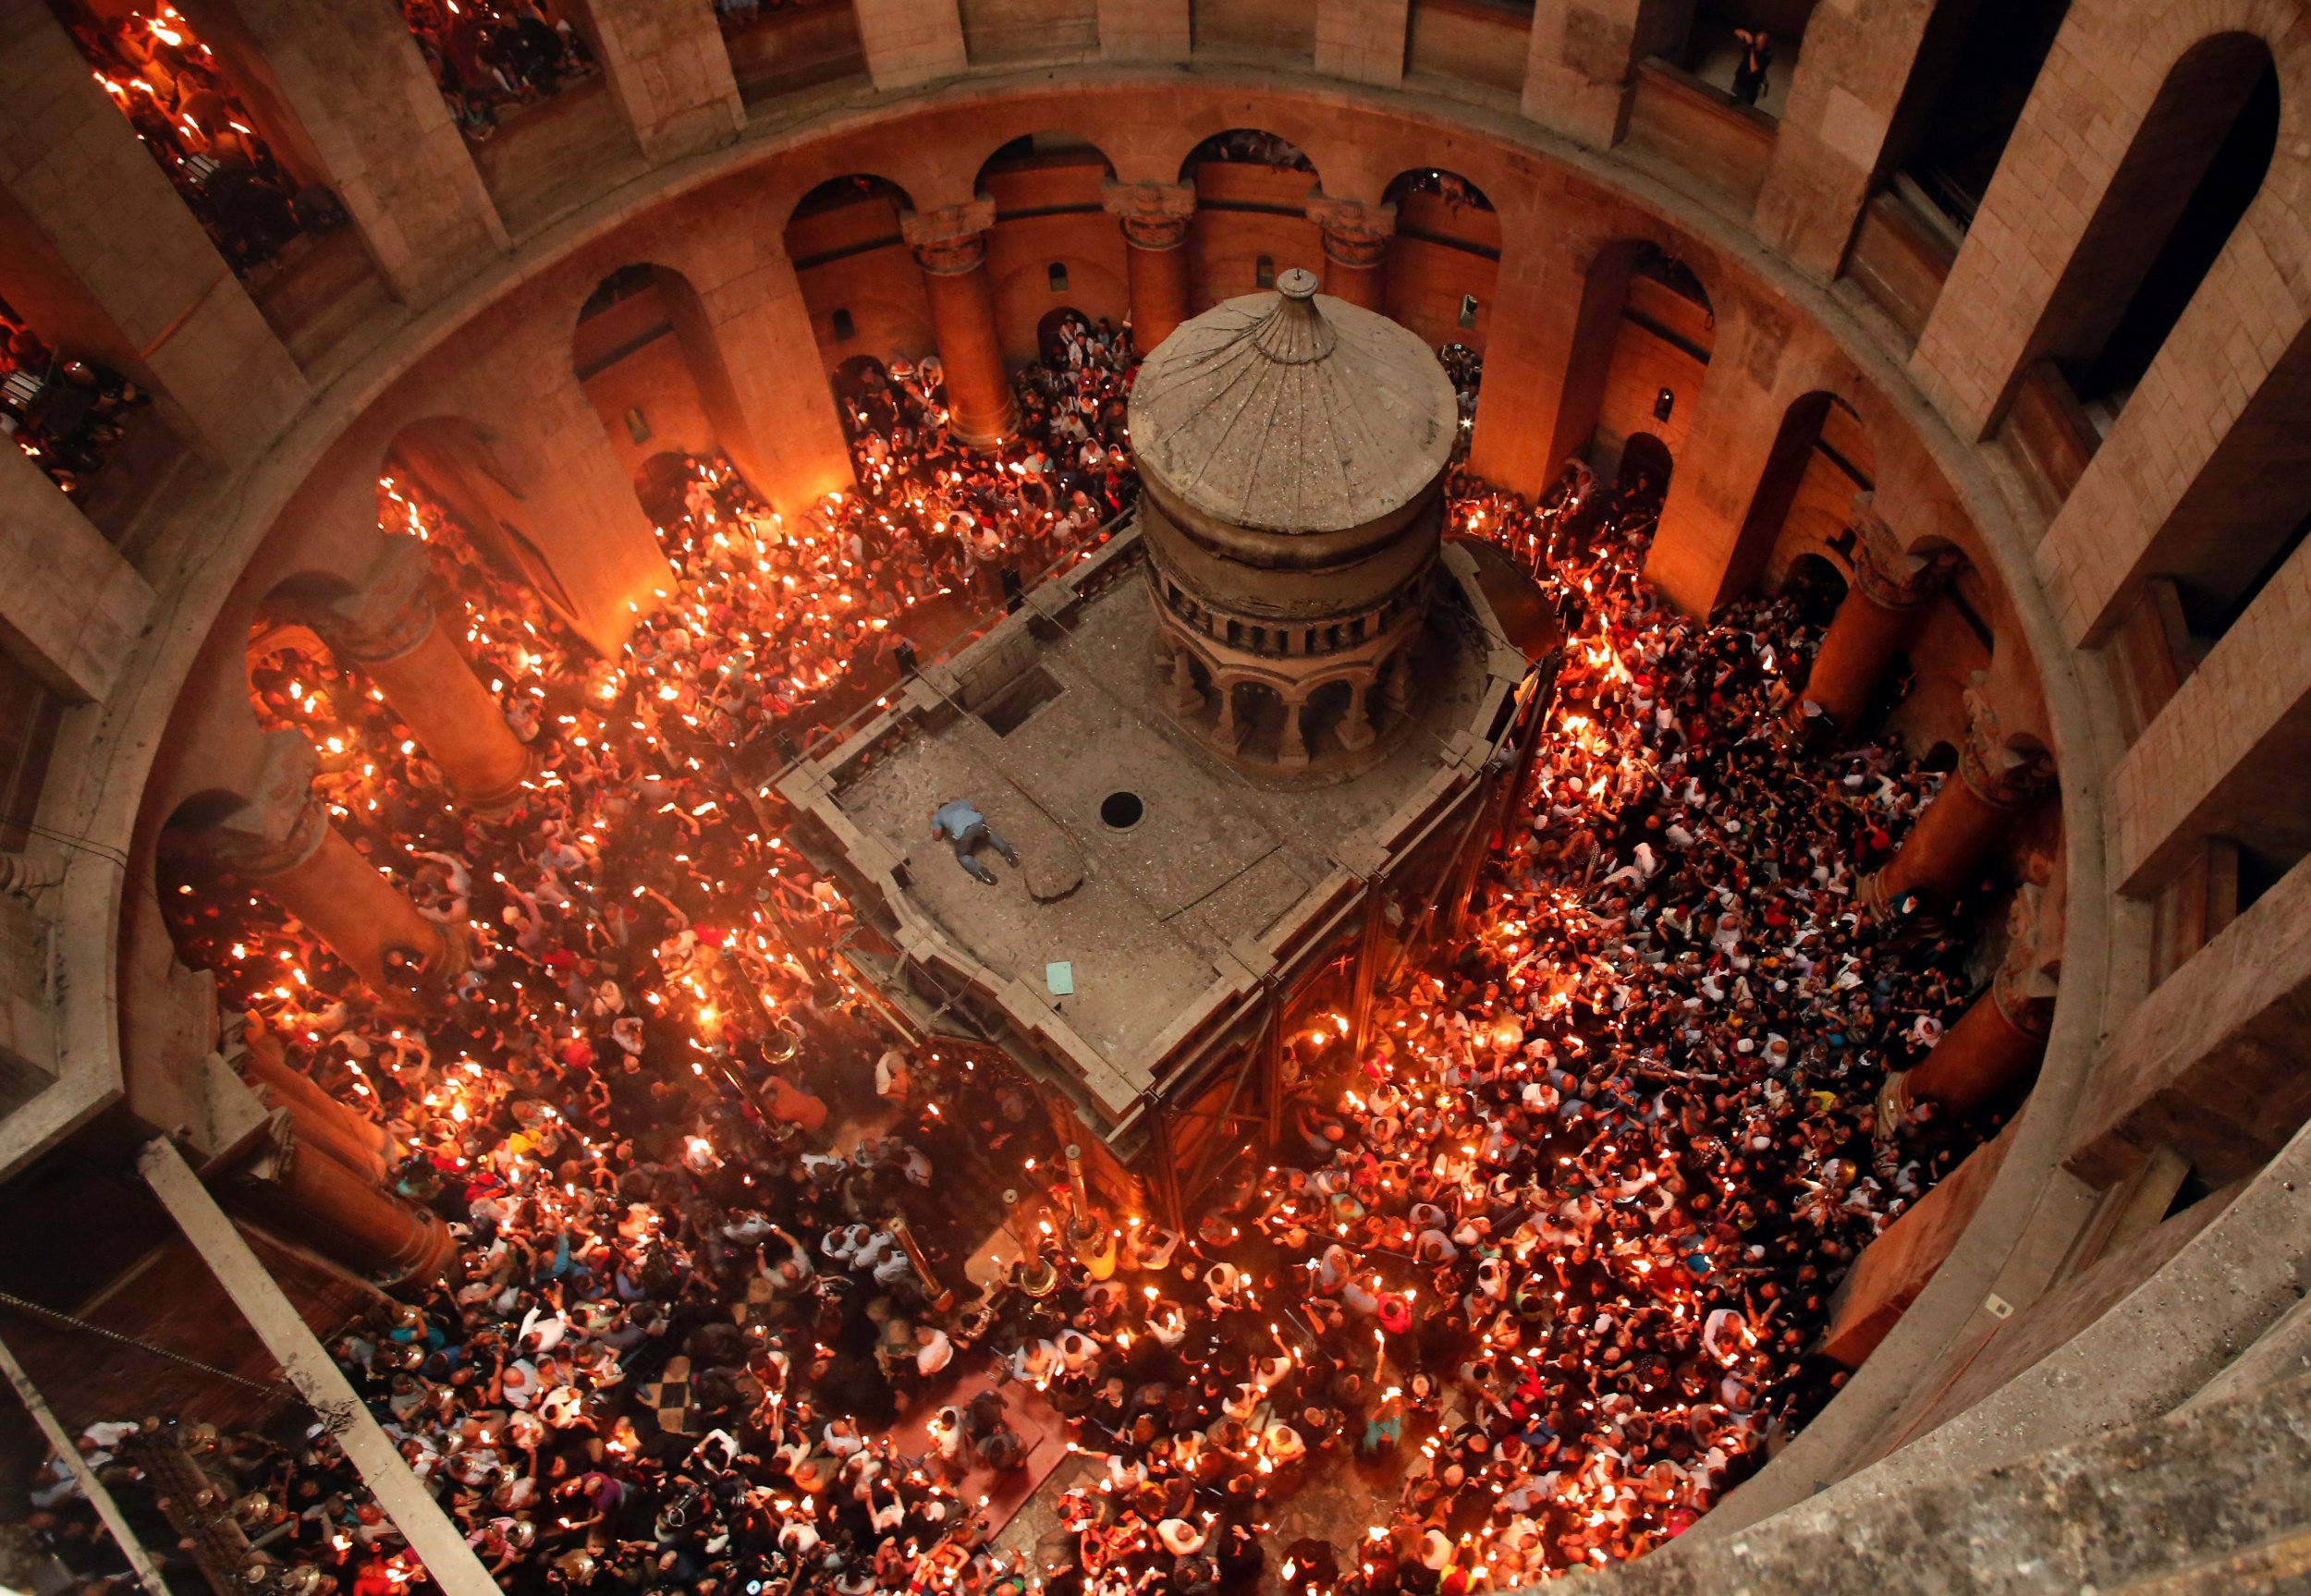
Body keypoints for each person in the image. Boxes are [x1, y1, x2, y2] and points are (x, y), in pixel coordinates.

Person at [929, 798, 1020, 885]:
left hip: (963, 833)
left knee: (963, 856)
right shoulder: (961, 801)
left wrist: (933, 821)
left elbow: (936, 836)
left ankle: (980, 872)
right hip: (978, 821)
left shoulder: (938, 815)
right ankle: (1007, 850)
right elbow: (977, 810)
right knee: (988, 833)